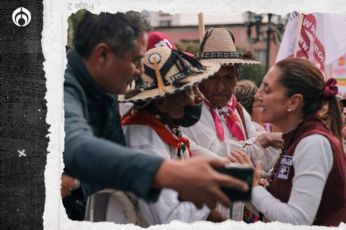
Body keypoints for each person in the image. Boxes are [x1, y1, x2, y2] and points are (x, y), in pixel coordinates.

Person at [63, 11, 248, 220]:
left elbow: (117, 155)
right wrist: (166, 172)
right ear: (102, 55)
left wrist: (230, 174)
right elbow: (77, 145)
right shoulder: (62, 87)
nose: (141, 70)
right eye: (135, 60)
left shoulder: (105, 87)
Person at [182, 27, 283, 221]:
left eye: (228, 77)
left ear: (237, 77)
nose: (221, 86)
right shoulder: (192, 109)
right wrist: (259, 143)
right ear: (201, 78)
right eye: (214, 77)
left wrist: (272, 143)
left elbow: (261, 161)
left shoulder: (236, 110)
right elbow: (218, 153)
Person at [251, 58, 346, 226]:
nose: (258, 96)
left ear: (293, 102)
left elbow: (298, 220)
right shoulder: (299, 136)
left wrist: (253, 190)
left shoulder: (313, 142)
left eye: (267, 90)